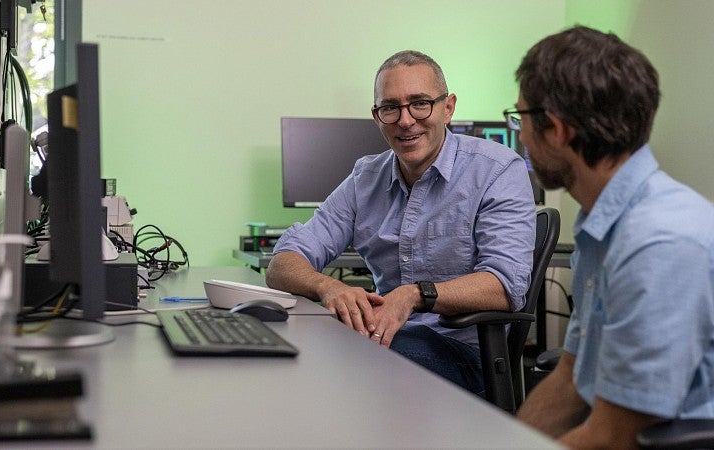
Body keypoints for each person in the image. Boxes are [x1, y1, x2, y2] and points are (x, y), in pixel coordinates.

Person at [266, 50, 535, 394]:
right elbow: (282, 263)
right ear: (377, 117)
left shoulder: (497, 170)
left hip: (466, 356)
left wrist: (413, 295)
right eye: (390, 108)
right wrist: (329, 287)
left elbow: (505, 285)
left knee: (336, 361)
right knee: (301, 340)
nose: (405, 120)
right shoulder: (365, 178)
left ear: (448, 107)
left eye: (420, 103)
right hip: (386, 338)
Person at [511, 25, 714, 448]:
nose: (520, 137)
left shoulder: (659, 243)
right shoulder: (602, 228)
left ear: (556, 128)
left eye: (521, 119)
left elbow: (614, 438)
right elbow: (569, 380)